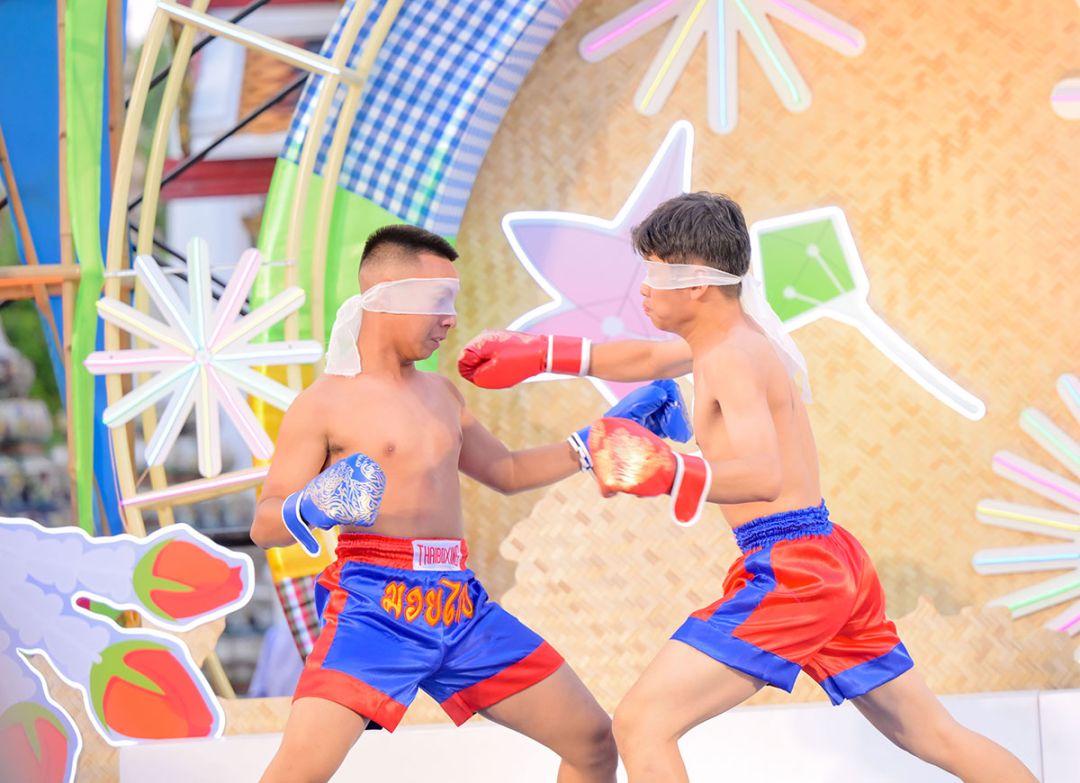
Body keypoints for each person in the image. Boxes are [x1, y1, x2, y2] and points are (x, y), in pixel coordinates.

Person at [457, 192, 1037, 783]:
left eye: (655, 273)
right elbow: (645, 358)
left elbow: (764, 475)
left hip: (793, 569)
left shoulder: (730, 356)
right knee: (934, 735)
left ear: (697, 284)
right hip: (827, 556)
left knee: (641, 724)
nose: (644, 290)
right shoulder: (729, 340)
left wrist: (666, 468)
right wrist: (543, 354)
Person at [250, 224, 690, 783]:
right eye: (439, 300)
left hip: (461, 605)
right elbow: (264, 525)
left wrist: (598, 438)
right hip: (374, 608)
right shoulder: (323, 404)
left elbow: (507, 471)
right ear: (387, 299)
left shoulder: (441, 394)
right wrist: (312, 505)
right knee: (297, 774)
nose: (450, 319)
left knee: (593, 742)